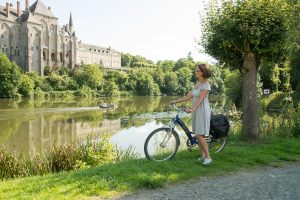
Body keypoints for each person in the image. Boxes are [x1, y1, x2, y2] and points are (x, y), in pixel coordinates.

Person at [171, 64, 212, 165]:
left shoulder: (206, 84)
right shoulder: (197, 83)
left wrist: (193, 108)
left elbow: (201, 99)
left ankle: (208, 157)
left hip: (202, 110)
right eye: (196, 70)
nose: (195, 72)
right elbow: (189, 96)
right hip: (196, 110)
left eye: (197, 70)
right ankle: (202, 156)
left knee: (199, 134)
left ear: (203, 72)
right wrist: (176, 101)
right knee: (198, 134)